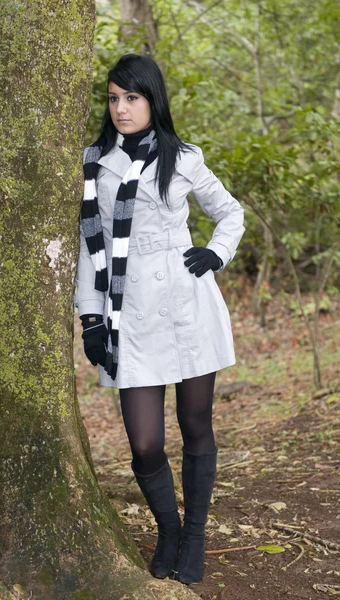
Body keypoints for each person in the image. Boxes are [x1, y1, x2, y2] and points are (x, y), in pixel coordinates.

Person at [75, 54, 245, 584]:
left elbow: (229, 212)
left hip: (186, 298)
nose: (121, 109)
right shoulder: (95, 162)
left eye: (132, 98)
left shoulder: (183, 157)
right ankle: (168, 529)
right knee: (145, 441)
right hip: (128, 310)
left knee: (196, 424)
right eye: (113, 98)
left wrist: (215, 252)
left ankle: (194, 536)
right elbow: (91, 245)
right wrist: (90, 319)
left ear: (152, 100)